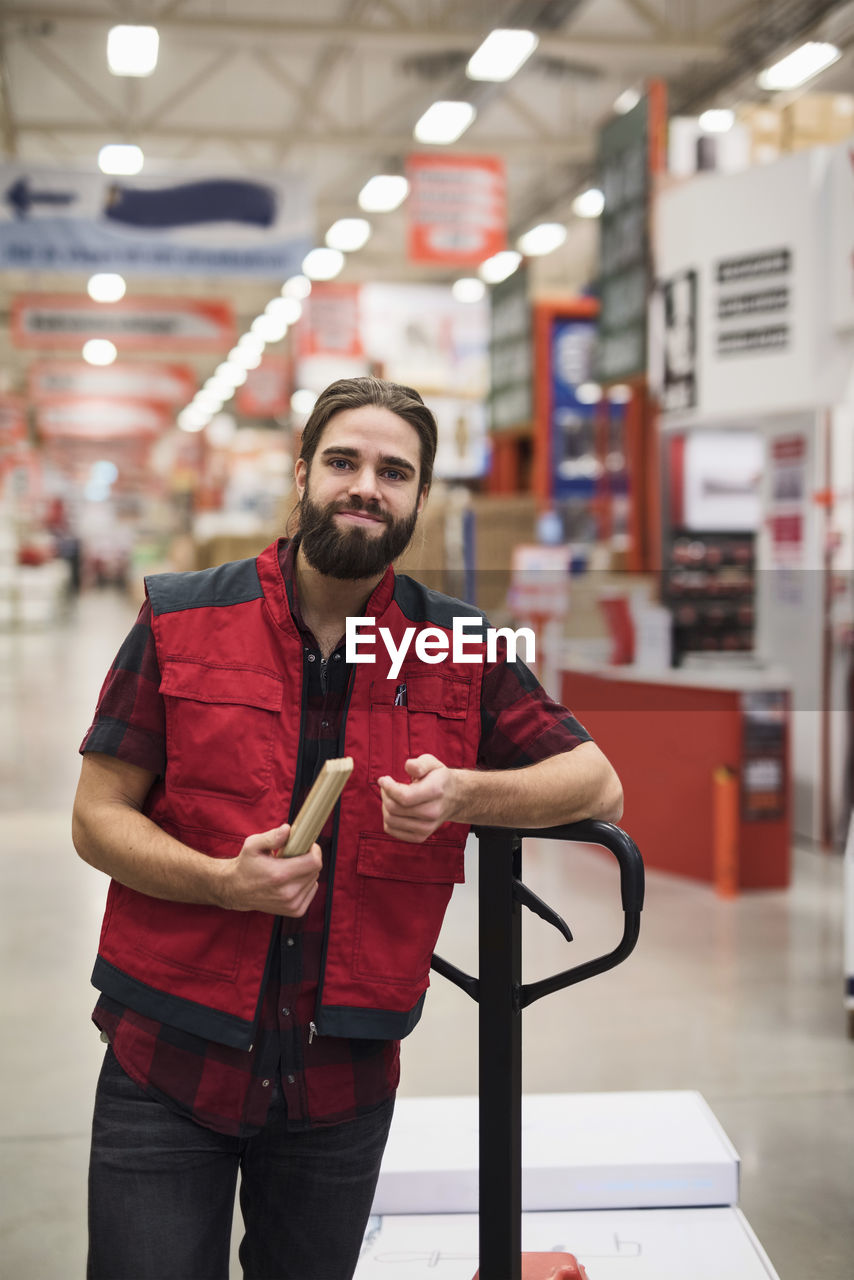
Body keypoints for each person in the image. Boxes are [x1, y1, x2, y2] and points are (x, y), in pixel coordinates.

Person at [72, 375, 622, 1280]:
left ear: (418, 498)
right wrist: (221, 882)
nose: (367, 485)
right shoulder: (182, 616)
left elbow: (596, 783)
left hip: (341, 1079)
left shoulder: (457, 645)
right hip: (167, 1065)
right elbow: (97, 819)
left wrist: (464, 795)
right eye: (344, 461)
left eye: (394, 472)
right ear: (301, 473)